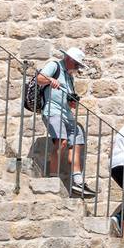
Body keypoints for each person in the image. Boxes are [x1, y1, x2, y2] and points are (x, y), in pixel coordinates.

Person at [36, 47, 93, 196]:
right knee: (61, 141)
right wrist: (51, 80)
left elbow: (68, 99)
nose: (77, 68)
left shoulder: (70, 77)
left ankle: (77, 180)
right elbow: (39, 79)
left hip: (66, 114)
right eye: (77, 65)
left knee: (78, 137)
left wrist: (72, 102)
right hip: (53, 111)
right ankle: (53, 177)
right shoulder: (54, 66)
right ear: (69, 59)